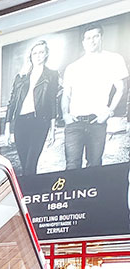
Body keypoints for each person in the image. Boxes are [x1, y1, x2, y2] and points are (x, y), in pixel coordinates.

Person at [61, 24, 129, 169]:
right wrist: (65, 115)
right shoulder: (73, 67)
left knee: (95, 165)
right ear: (83, 42)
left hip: (97, 121)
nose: (91, 41)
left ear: (101, 38)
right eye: (88, 38)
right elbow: (66, 94)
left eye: (95, 36)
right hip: (75, 122)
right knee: (72, 166)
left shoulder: (113, 59)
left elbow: (121, 89)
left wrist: (109, 112)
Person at [4, 40, 60, 176]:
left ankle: (30, 193)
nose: (38, 55)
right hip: (20, 123)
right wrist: (7, 128)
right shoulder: (21, 76)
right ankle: (27, 193)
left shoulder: (52, 75)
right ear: (30, 56)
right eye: (35, 53)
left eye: (41, 52)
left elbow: (53, 101)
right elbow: (12, 102)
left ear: (46, 54)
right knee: (24, 165)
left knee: (31, 163)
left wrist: (53, 129)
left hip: (39, 122)